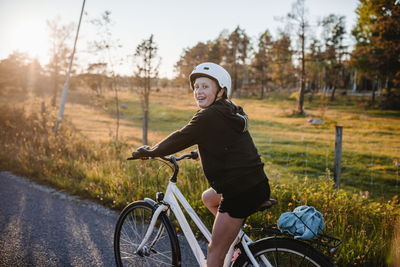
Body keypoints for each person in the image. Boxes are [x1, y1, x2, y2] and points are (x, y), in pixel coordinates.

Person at [131, 62, 271, 267]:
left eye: (205, 86)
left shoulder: (208, 115)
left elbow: (181, 137)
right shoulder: (229, 109)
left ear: (221, 90)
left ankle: (224, 245)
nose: (198, 91)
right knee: (208, 197)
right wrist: (201, 151)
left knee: (214, 251)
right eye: (196, 87)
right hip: (256, 183)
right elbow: (227, 141)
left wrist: (152, 151)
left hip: (240, 191)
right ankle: (234, 239)